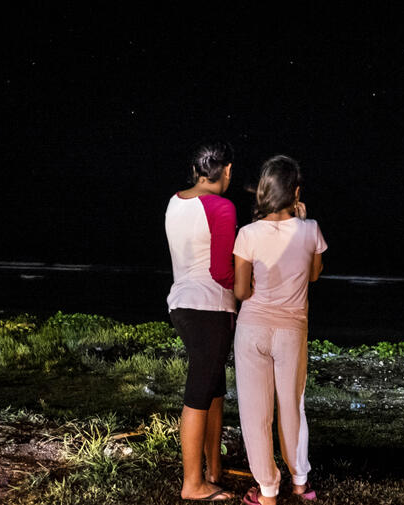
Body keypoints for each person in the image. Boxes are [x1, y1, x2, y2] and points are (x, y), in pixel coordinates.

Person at [232, 155, 326, 505]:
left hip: (253, 328)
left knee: (255, 412)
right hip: (292, 331)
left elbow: (241, 292)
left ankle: (268, 490)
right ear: (296, 191)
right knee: (292, 405)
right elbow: (314, 274)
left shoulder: (247, 234)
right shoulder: (311, 229)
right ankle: (300, 482)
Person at [164, 142, 237, 501]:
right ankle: (193, 484)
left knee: (214, 389)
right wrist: (250, 287)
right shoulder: (222, 207)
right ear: (226, 171)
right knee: (199, 393)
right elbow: (223, 272)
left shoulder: (175, 201)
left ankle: (213, 470)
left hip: (182, 304)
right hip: (209, 307)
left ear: (196, 170)